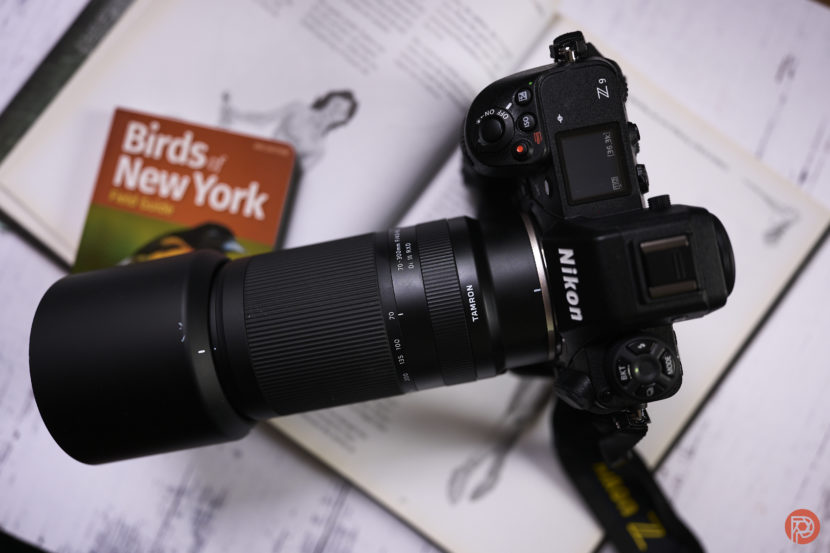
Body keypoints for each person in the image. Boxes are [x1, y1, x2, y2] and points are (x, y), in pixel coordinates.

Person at [219, 90, 358, 170]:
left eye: (342, 111)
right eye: (336, 104)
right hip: (254, 160)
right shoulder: (298, 108)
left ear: (343, 119)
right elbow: (264, 119)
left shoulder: (318, 150)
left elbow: (295, 179)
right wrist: (234, 114)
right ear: (328, 100)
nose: (335, 110)